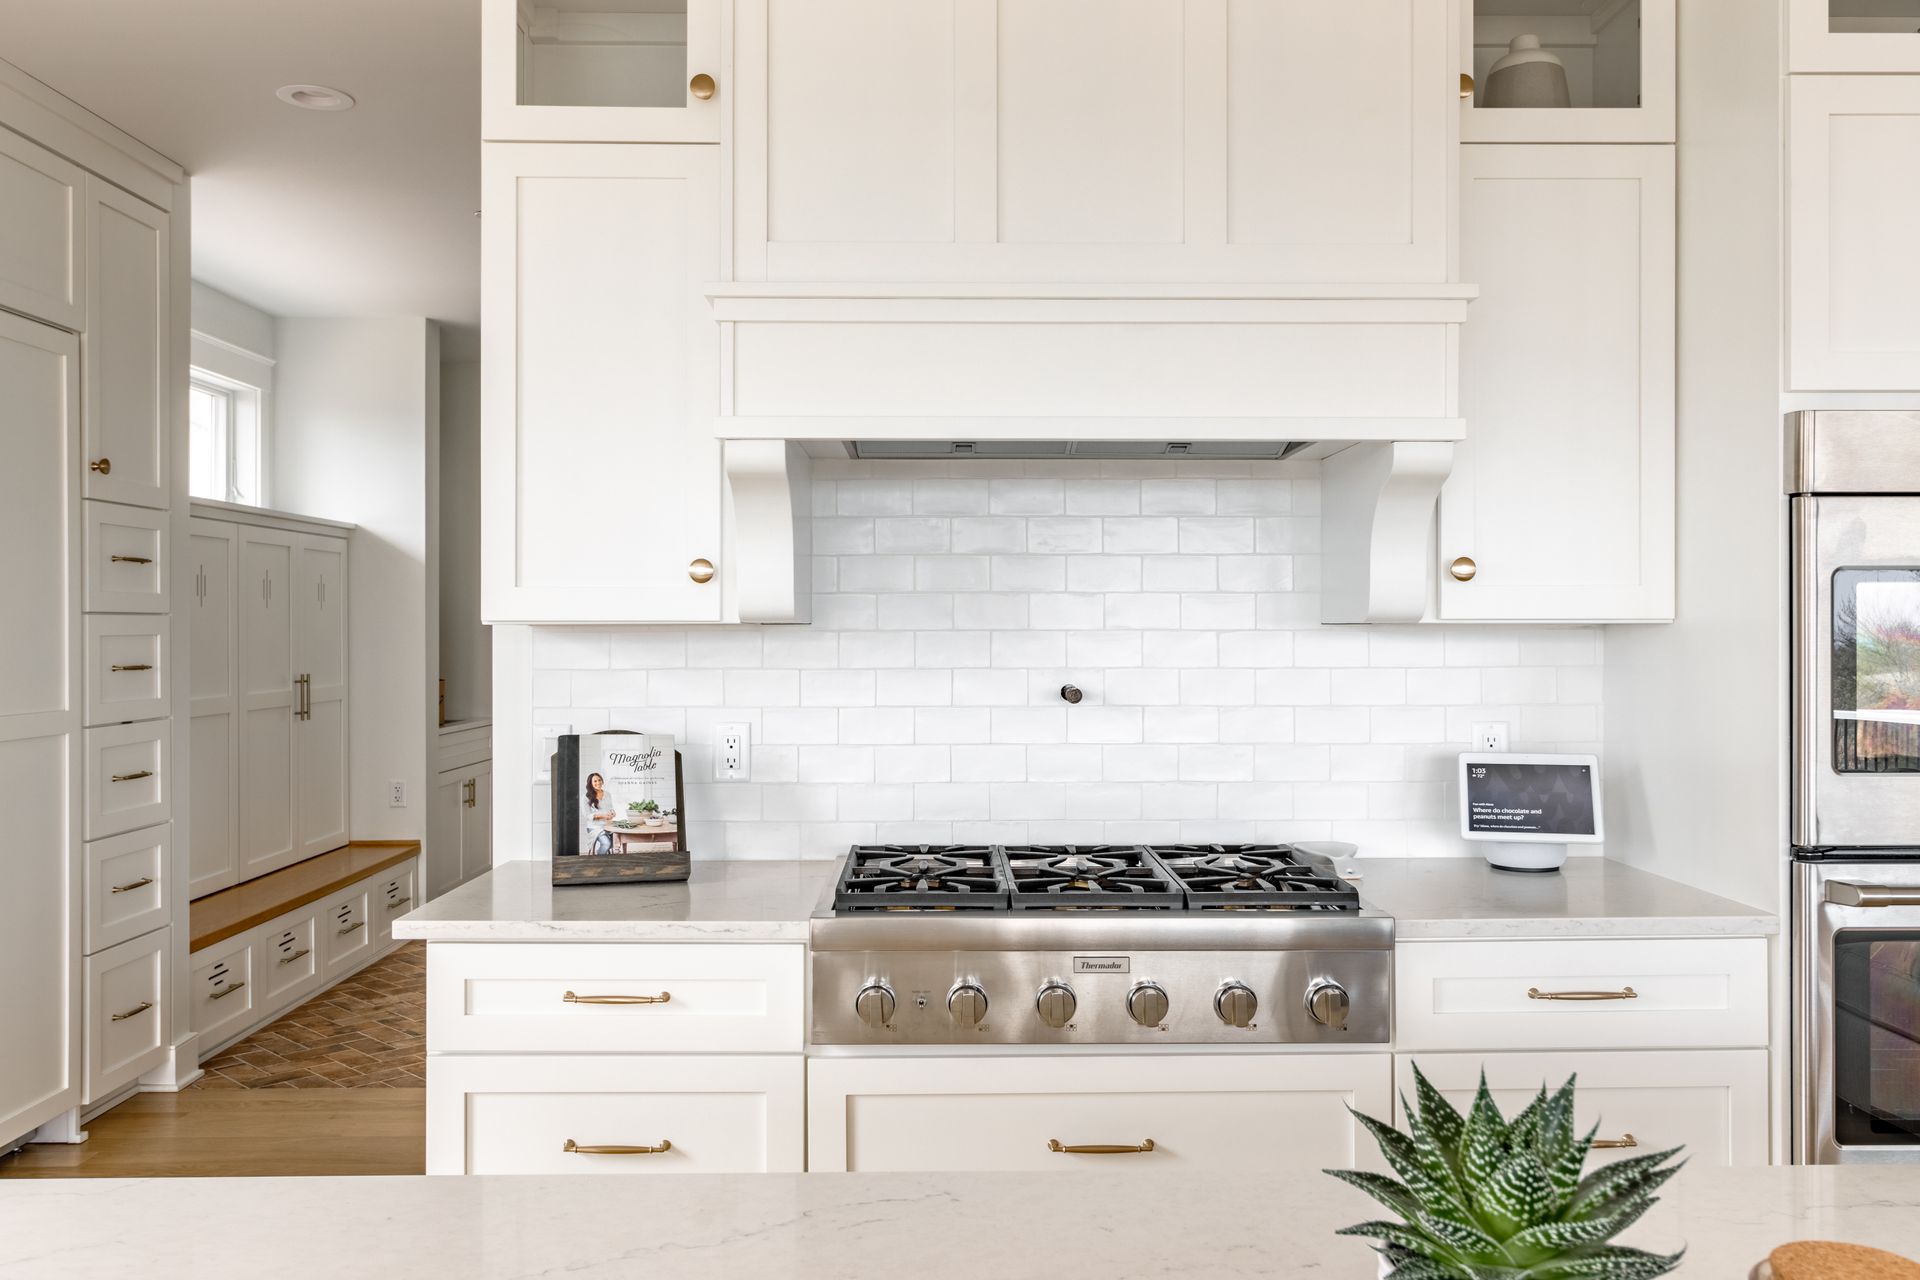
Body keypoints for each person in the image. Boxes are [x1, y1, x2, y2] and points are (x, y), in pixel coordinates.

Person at [583, 771, 618, 855]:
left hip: (608, 825)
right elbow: (587, 815)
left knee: (617, 841)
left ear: (602, 781)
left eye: (599, 780)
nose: (598, 782)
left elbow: (611, 808)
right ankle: (599, 858)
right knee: (606, 843)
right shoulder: (586, 797)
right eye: (595, 781)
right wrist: (602, 816)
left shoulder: (607, 794)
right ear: (590, 784)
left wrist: (612, 813)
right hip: (594, 827)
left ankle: (601, 855)